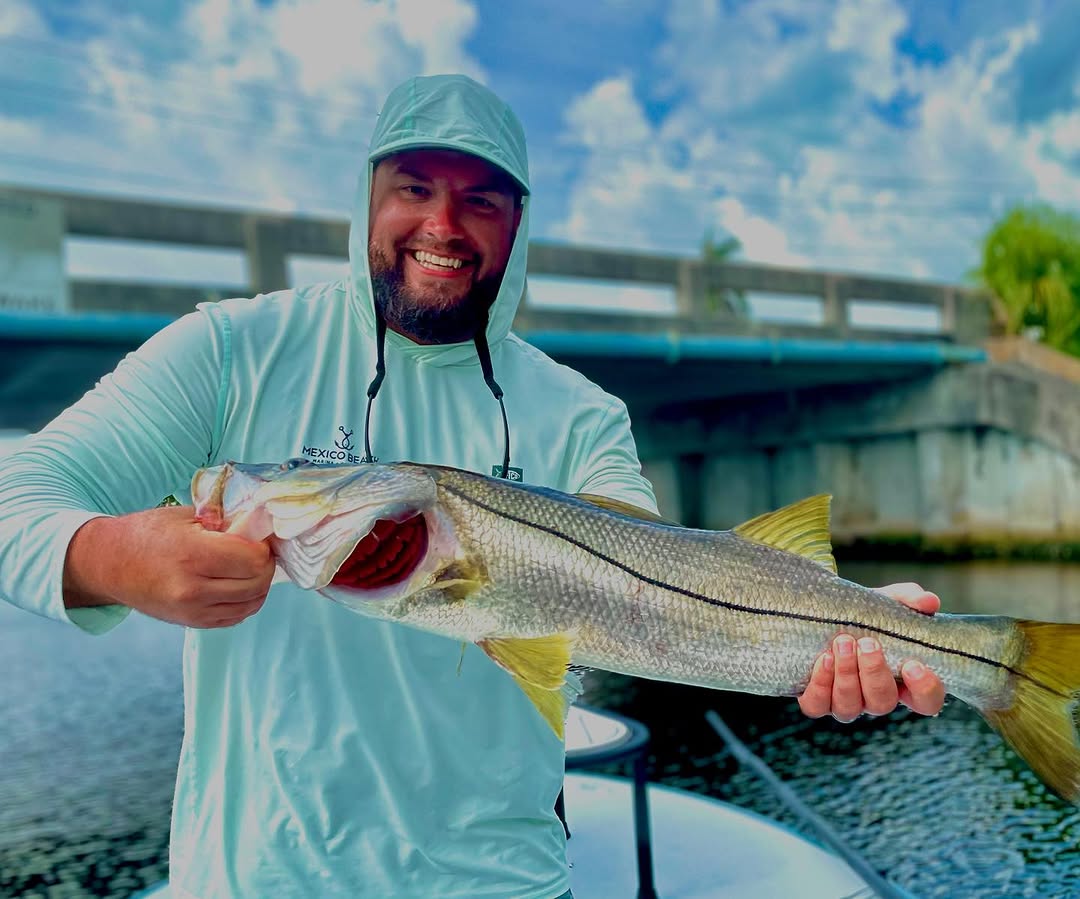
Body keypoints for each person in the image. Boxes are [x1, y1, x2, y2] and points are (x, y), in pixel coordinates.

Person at [0, 74, 945, 899]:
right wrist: (113, 556)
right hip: (257, 878)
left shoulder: (582, 415)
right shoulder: (231, 350)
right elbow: (15, 496)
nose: (442, 226)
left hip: (504, 880)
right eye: (412, 187)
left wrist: (845, 625)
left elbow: (660, 588)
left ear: (518, 225)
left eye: (481, 200)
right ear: (365, 200)